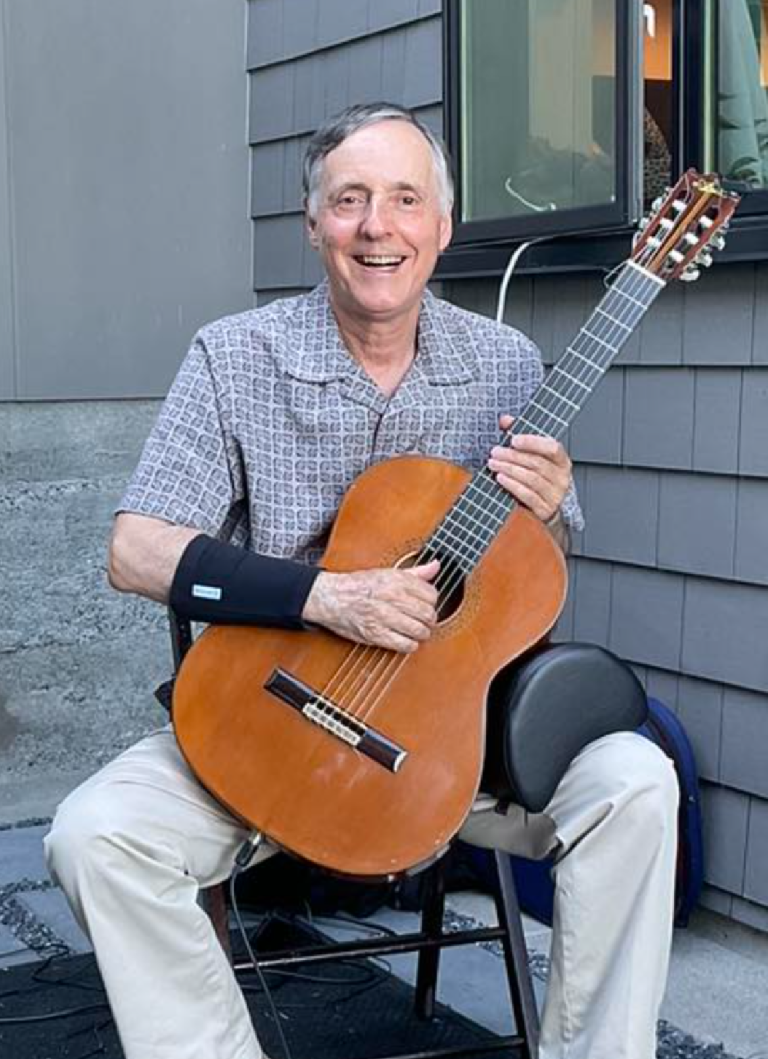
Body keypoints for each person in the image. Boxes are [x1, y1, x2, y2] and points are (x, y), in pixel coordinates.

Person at [45, 103, 678, 1059]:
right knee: (94, 834)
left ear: (443, 227)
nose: (377, 225)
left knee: (635, 781)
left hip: (449, 750)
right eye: (350, 200)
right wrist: (327, 597)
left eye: (404, 200)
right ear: (314, 224)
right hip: (273, 722)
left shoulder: (508, 363)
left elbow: (529, 583)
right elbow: (135, 550)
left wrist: (549, 503)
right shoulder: (235, 356)